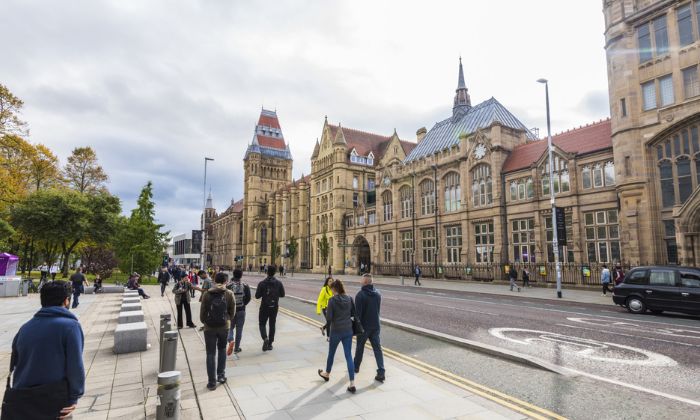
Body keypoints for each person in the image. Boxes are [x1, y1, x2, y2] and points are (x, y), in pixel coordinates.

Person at [3, 281, 84, 419]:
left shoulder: (25, 328)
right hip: (52, 400)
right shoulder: (70, 327)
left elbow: (16, 365)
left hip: (22, 401)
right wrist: (74, 396)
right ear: (66, 301)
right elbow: (75, 365)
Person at [317, 279, 356, 394]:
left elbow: (329, 318)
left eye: (332, 289)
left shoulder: (332, 300)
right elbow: (353, 314)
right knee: (348, 355)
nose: (331, 291)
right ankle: (352, 383)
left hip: (336, 331)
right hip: (348, 330)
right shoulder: (349, 299)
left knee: (331, 354)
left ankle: (327, 374)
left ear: (334, 289)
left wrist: (327, 331)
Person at [200, 272, 236, 390]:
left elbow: (202, 313)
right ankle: (221, 376)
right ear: (226, 281)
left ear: (214, 281)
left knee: (210, 353)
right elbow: (232, 312)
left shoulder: (207, 294)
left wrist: (205, 322)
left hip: (209, 328)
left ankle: (211, 382)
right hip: (224, 327)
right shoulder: (229, 293)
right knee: (221, 350)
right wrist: (227, 320)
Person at [353, 274, 385, 382]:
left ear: (365, 282)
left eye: (362, 281)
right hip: (375, 325)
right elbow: (378, 310)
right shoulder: (378, 294)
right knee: (377, 349)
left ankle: (356, 367)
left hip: (363, 327)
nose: (360, 282)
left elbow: (358, 315)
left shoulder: (360, 295)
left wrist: (355, 328)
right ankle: (381, 371)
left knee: (360, 348)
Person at [255, 265, 285, 351]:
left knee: (262, 323)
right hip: (274, 306)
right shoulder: (279, 283)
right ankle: (270, 344)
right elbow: (282, 295)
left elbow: (257, 296)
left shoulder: (262, 283)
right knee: (272, 324)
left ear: (267, 272)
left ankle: (265, 338)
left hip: (264, 306)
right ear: (275, 272)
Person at [226, 268, 251, 355]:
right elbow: (248, 298)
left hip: (231, 311)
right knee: (239, 329)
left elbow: (225, 298)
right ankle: (236, 348)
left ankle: (230, 340)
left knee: (230, 327)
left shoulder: (228, 285)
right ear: (241, 275)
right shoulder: (245, 285)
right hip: (241, 310)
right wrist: (243, 304)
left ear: (233, 274)